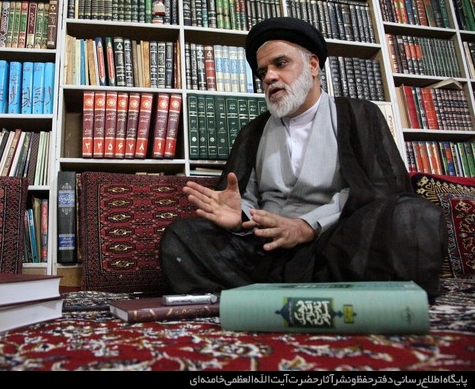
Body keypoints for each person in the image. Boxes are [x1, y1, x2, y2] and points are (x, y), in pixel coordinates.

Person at [159, 17, 447, 299]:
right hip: (266, 252)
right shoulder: (253, 132)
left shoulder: (357, 114)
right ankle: (315, 297)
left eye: (280, 63)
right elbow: (244, 199)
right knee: (182, 237)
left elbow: (379, 191)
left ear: (312, 66)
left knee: (413, 216)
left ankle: (266, 299)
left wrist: (307, 227)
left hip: (334, 246)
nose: (269, 77)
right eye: (263, 72)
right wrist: (239, 219)